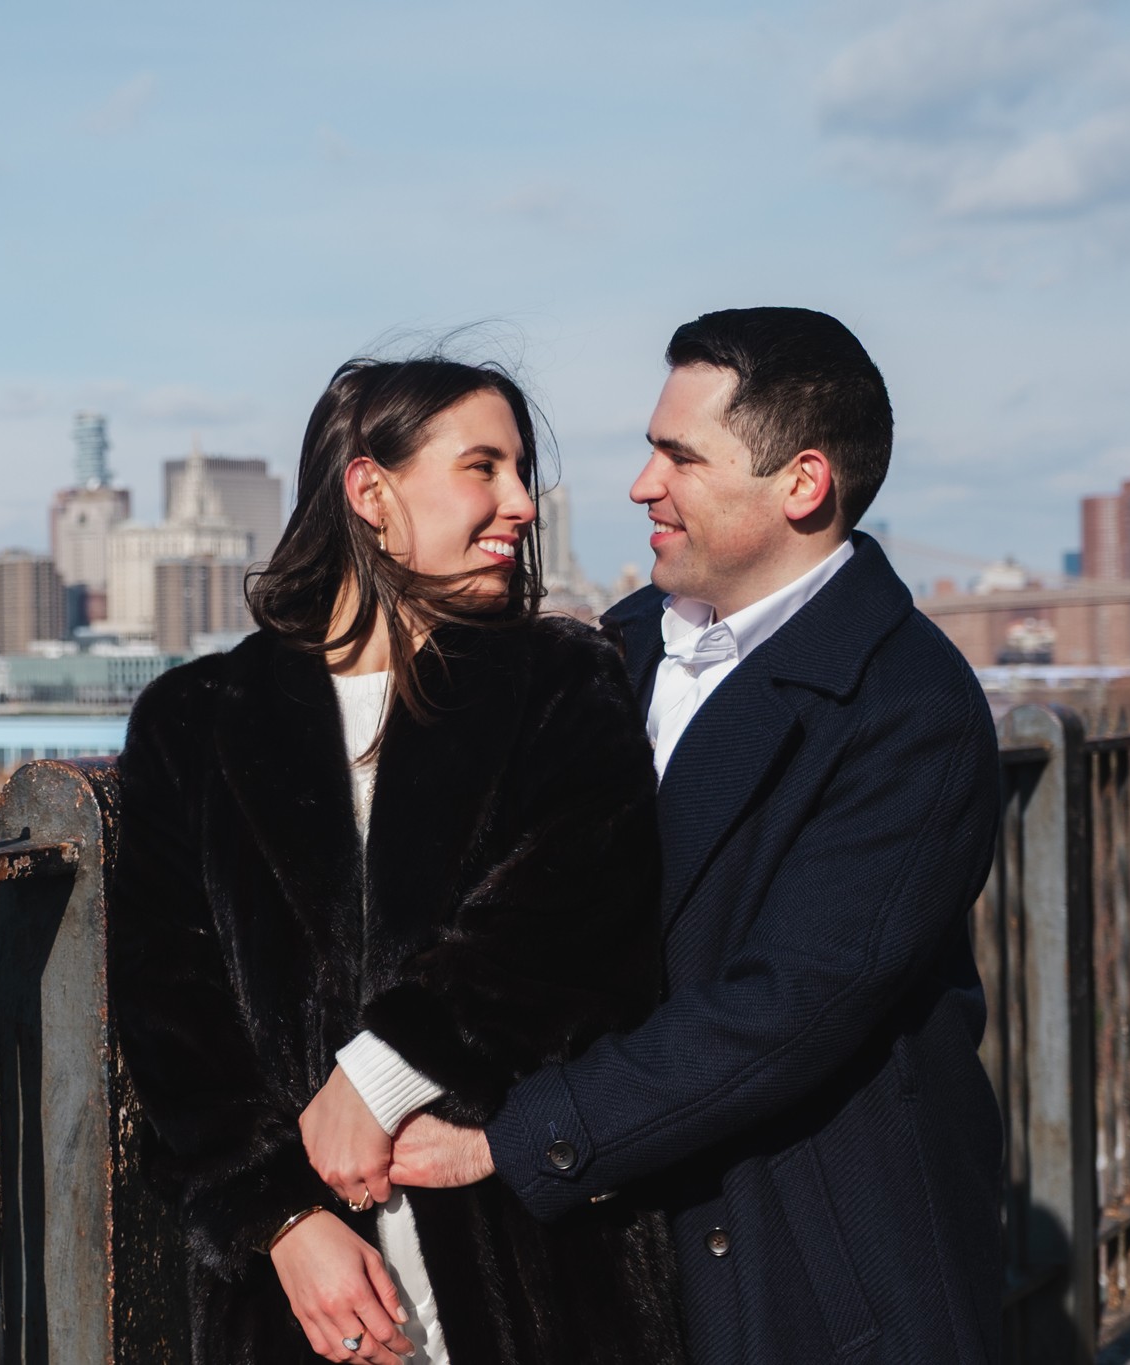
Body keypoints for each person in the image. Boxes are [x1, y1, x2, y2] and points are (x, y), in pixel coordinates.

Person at [390, 308, 1006, 1363]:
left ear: (801, 485)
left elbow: (789, 1007)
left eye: (678, 455)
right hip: (610, 1251)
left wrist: (516, 1138)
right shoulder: (608, 653)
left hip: (810, 1261)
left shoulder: (911, 707)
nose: (641, 484)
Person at [109, 357, 686, 1365]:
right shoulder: (192, 724)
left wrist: (375, 1081)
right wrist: (281, 1223)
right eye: (482, 468)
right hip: (299, 1309)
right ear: (369, 491)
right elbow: (171, 1016)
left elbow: (570, 922)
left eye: (520, 470)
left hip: (541, 1278)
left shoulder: (559, 682)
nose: (518, 502)